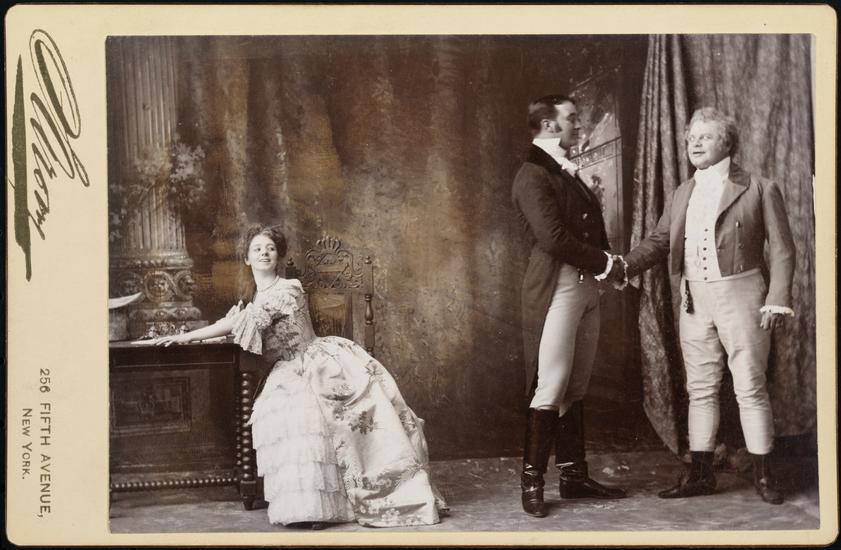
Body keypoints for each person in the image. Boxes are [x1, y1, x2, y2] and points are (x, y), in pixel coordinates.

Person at [155, 224, 448, 528]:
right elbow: (236, 323)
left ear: (279, 255)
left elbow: (239, 323)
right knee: (278, 410)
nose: (264, 253)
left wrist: (187, 336)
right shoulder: (255, 297)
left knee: (305, 413)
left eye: (270, 248)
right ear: (247, 258)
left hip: (315, 362)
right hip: (285, 367)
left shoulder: (288, 289)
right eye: (257, 249)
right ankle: (303, 507)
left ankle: (327, 506)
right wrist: (186, 337)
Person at [612, 107, 795, 504]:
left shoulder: (760, 187)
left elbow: (782, 249)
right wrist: (624, 265)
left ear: (726, 143)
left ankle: (765, 475)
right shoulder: (683, 192)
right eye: (691, 138)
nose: (694, 143)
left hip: (742, 294)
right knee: (699, 388)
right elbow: (660, 240)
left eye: (705, 137)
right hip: (693, 298)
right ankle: (700, 475)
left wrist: (777, 299)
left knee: (750, 385)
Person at [511, 94, 627, 518]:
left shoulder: (563, 170)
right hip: (555, 287)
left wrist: (606, 268)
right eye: (572, 119)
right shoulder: (532, 174)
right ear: (548, 124)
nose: (579, 125)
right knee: (552, 384)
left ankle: (574, 477)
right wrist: (606, 263)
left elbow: (588, 230)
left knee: (575, 386)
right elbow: (554, 239)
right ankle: (531, 482)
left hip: (584, 286)